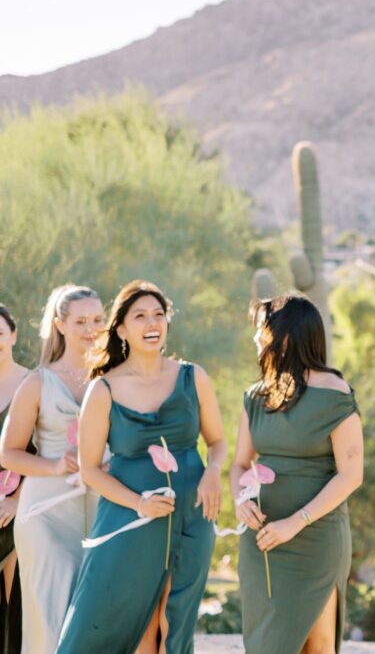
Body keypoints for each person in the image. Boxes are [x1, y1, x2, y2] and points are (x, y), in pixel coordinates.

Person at [56, 280, 226, 654]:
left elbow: (217, 442)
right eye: (140, 316)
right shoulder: (103, 390)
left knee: (174, 620)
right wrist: (139, 504)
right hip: (130, 521)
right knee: (134, 622)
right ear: (121, 329)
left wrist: (213, 473)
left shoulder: (192, 377)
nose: (153, 323)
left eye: (159, 315)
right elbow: (90, 470)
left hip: (193, 516)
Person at [231, 294, 363, 654]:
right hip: (262, 541)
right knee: (267, 645)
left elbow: (351, 475)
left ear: (286, 335)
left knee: (317, 646)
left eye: (262, 329)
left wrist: (297, 521)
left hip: (316, 538)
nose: (256, 338)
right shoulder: (256, 397)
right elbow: (239, 465)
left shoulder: (335, 394)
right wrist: (239, 500)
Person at [0, 285, 105, 653]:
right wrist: (55, 463)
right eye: (80, 321)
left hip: (103, 508)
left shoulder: (115, 379)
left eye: (97, 319)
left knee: (95, 617)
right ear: (60, 324)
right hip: (45, 513)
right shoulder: (37, 382)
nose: (91, 328)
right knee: (50, 615)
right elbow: (9, 454)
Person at [0, 304, 29, 653]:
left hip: (24, 507)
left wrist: (17, 500)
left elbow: (42, 451)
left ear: (14, 336)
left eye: (0, 334)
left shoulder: (32, 383)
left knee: (19, 601)